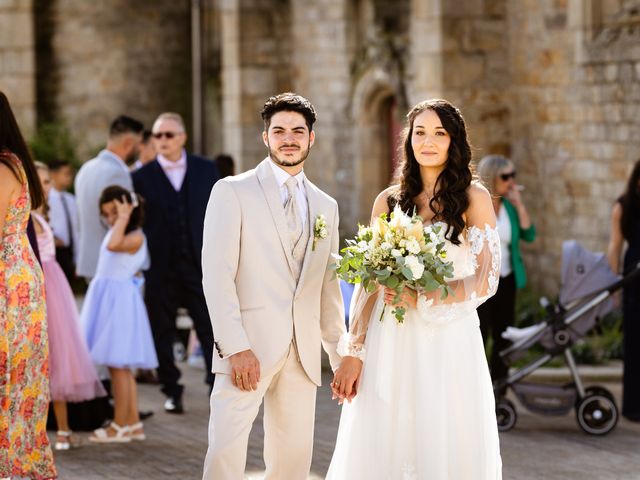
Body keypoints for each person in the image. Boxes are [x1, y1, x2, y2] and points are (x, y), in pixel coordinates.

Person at [327, 99, 502, 479]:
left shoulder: (474, 198)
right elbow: (369, 282)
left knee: (443, 435)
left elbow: (487, 278)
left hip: (448, 340)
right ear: (408, 140)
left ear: (453, 141)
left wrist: (426, 296)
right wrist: (354, 350)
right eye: (420, 132)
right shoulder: (388, 202)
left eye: (439, 133)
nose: (428, 141)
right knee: (385, 437)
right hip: (390, 338)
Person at [201, 92, 345, 479]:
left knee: (293, 462)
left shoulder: (325, 206)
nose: (289, 138)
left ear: (311, 138)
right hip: (246, 350)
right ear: (265, 137)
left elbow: (327, 289)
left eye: (298, 131)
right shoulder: (232, 191)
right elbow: (216, 276)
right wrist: (235, 347)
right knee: (226, 452)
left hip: (302, 354)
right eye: (279, 130)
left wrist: (340, 353)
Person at [132, 112, 219, 414]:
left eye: (169, 135)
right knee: (161, 330)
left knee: (210, 326)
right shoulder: (140, 177)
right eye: (158, 135)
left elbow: (222, 214)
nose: (163, 141)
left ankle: (215, 384)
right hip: (160, 268)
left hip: (200, 264)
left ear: (182, 137)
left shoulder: (207, 170)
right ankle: (172, 389)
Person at [0, 91, 57, 479]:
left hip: (8, 279)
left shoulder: (3, 167)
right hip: (16, 272)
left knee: (13, 376)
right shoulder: (13, 164)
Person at [32, 162, 107, 450]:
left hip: (55, 287)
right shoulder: (25, 217)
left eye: (48, 181)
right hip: (40, 288)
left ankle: (63, 430)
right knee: (44, 358)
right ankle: (43, 433)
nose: (45, 187)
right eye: (39, 182)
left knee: (58, 359)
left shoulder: (41, 216)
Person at [81, 185, 158, 443]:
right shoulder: (121, 232)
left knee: (119, 366)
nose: (111, 218)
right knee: (119, 367)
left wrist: (125, 216)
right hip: (109, 300)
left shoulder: (135, 236)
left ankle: (120, 424)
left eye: (115, 211)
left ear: (129, 209)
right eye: (107, 214)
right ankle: (133, 423)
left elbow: (114, 244)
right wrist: (119, 219)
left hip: (119, 304)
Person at [476, 154, 535, 386]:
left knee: (505, 333)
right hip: (480, 280)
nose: (511, 181)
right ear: (492, 178)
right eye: (505, 176)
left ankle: (500, 384)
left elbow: (529, 234)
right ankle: (479, 386)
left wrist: (519, 205)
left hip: (507, 278)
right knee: (481, 332)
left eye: (513, 176)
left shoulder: (510, 208)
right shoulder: (476, 206)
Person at [75, 115, 144, 280]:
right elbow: (123, 221)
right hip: (114, 264)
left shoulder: (86, 168)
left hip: (89, 261)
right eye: (138, 143)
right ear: (128, 142)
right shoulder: (117, 173)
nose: (140, 149)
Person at [607, 158, 640, 422]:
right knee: (635, 341)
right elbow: (615, 246)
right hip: (634, 277)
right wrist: (613, 284)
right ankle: (633, 406)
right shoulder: (624, 205)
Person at [48, 159, 79, 284]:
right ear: (54, 175)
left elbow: (76, 230)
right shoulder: (47, 200)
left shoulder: (71, 200)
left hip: (69, 252)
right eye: (66, 174)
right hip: (54, 252)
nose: (69, 177)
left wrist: (78, 258)